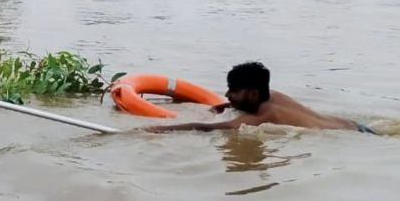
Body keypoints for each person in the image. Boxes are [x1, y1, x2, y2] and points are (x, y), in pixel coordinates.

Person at [147, 61, 379, 134]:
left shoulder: (261, 117)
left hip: (351, 136)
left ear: (253, 93)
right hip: (354, 126)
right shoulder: (273, 95)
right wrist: (219, 107)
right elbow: (233, 105)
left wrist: (158, 129)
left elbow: (206, 128)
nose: (227, 94)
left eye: (233, 90)